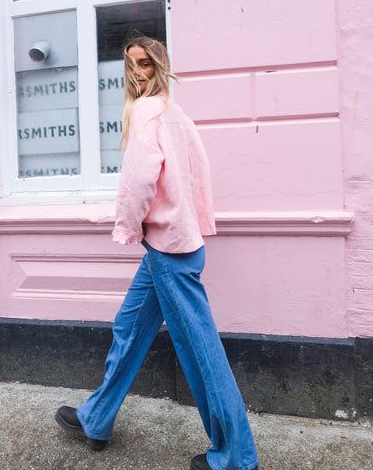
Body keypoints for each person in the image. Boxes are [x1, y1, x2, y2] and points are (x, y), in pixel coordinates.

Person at [55, 35, 259, 470]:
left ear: (160, 65)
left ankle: (237, 457)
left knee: (202, 353)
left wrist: (129, 229)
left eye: (144, 63)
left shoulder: (150, 113)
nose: (136, 72)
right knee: (129, 326)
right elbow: (198, 178)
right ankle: (96, 419)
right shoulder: (175, 115)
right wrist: (187, 227)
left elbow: (138, 182)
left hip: (170, 252)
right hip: (171, 247)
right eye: (129, 65)